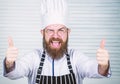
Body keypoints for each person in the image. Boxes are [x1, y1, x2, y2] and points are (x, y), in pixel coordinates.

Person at [3, 0, 111, 84]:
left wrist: (103, 65)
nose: (55, 36)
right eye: (50, 30)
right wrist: (9, 63)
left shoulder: (76, 58)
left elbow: (94, 69)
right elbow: (15, 72)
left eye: (61, 30)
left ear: (68, 32)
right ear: (42, 33)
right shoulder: (34, 57)